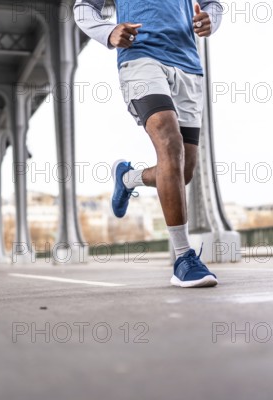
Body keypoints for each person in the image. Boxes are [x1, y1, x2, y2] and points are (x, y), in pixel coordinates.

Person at [74, 0, 223, 288]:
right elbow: (83, 8)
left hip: (188, 66)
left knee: (185, 171)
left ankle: (128, 178)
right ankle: (183, 257)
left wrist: (210, 20)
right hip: (141, 59)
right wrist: (108, 32)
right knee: (170, 143)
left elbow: (212, 4)